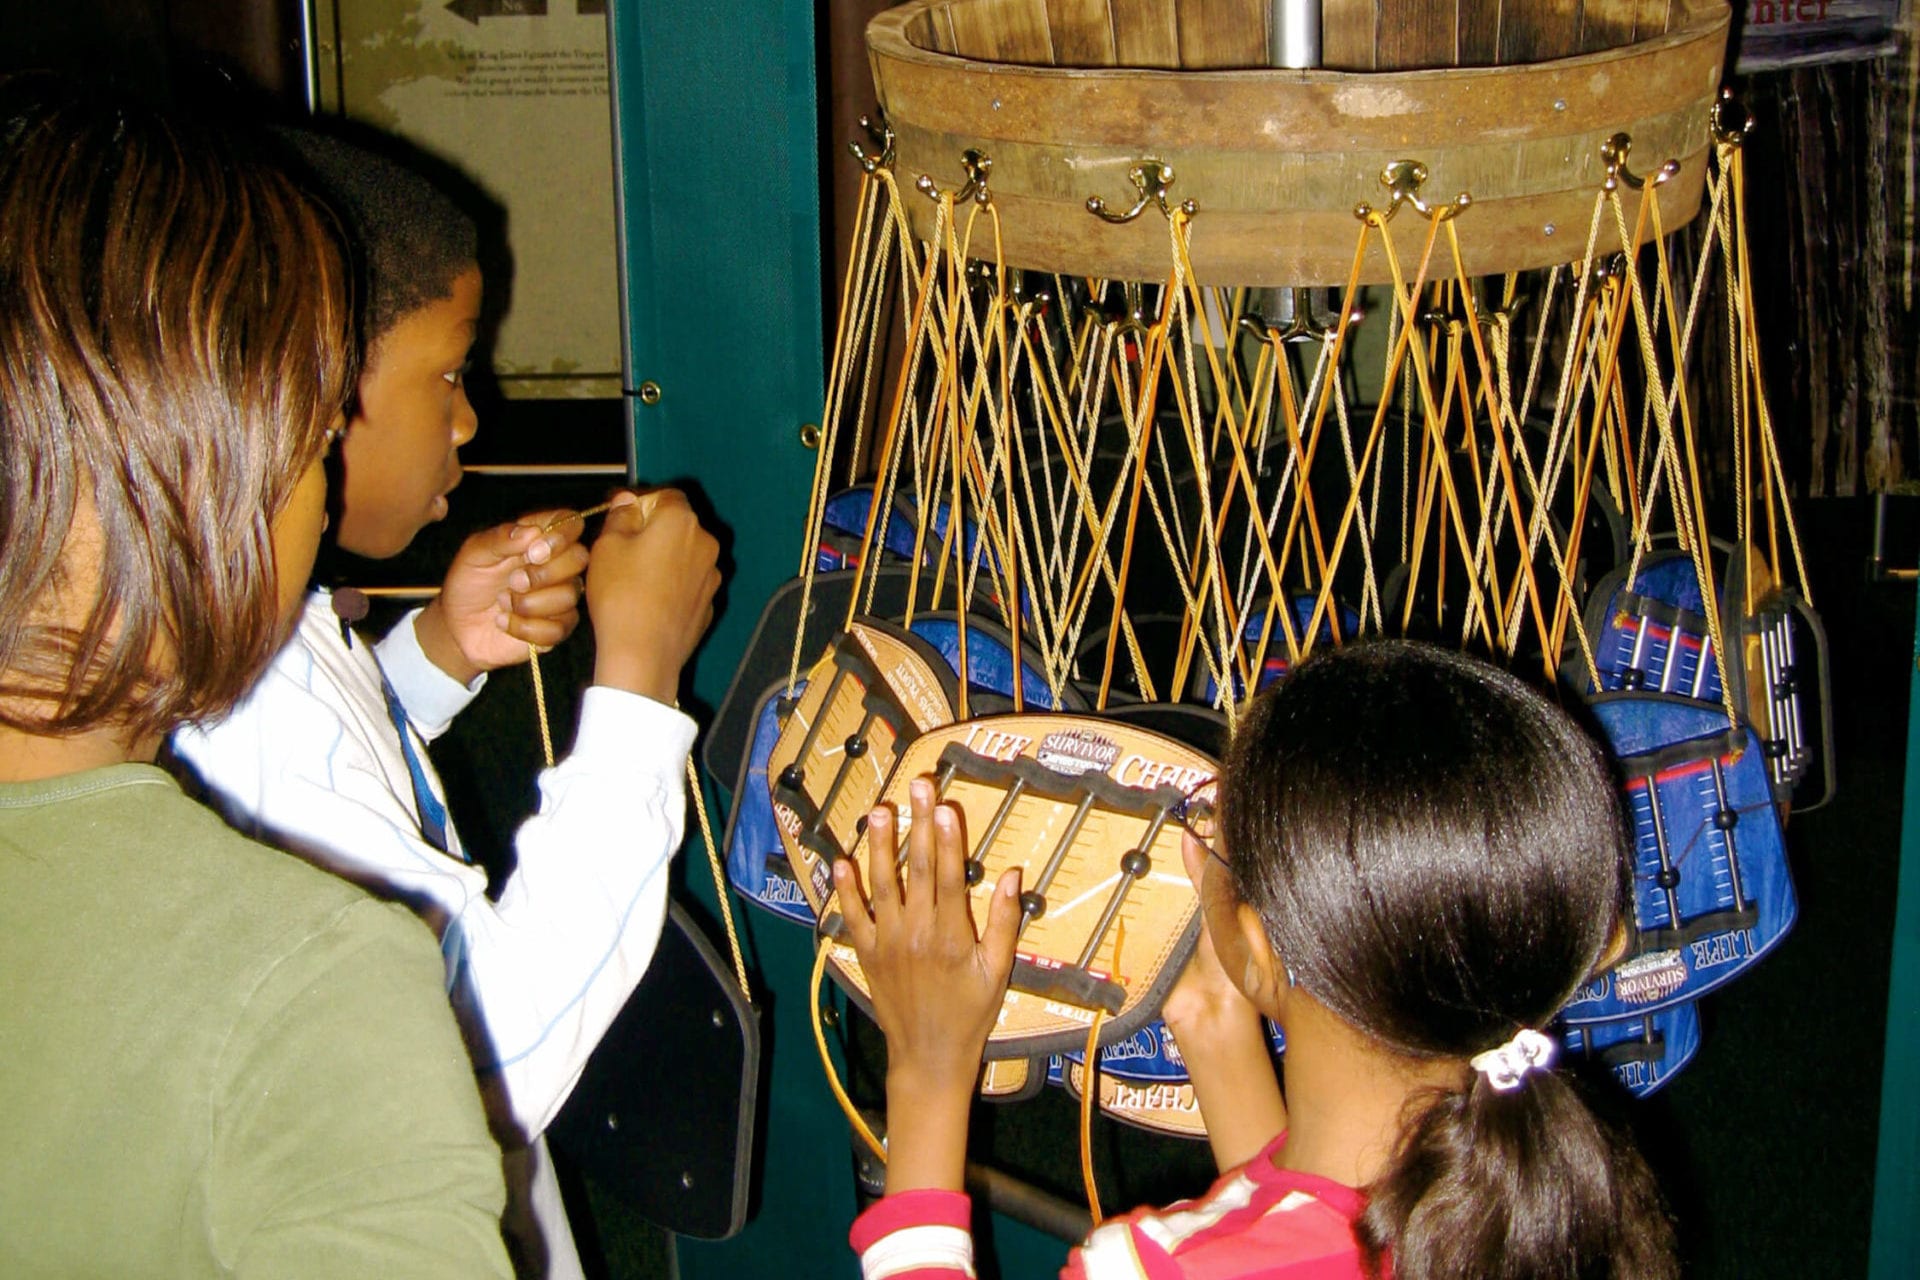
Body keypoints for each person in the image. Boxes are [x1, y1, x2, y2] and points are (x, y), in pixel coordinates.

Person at [170, 125, 721, 1278]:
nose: (469, 420)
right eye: (449, 373)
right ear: (311, 386)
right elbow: (495, 1043)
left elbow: (326, 796)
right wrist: (638, 679)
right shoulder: (260, 701)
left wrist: (431, 653)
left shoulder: (249, 631)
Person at [0, 75, 513, 1277]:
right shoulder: (313, 982)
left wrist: (434, 658)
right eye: (303, 434)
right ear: (191, 484)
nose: (323, 483)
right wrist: (637, 692)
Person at [837, 640, 1678, 1280]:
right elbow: (1307, 1233)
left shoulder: (1150, 1269)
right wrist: (1214, 1022)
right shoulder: (1555, 1213)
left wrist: (929, 1070)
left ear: (1264, 945)